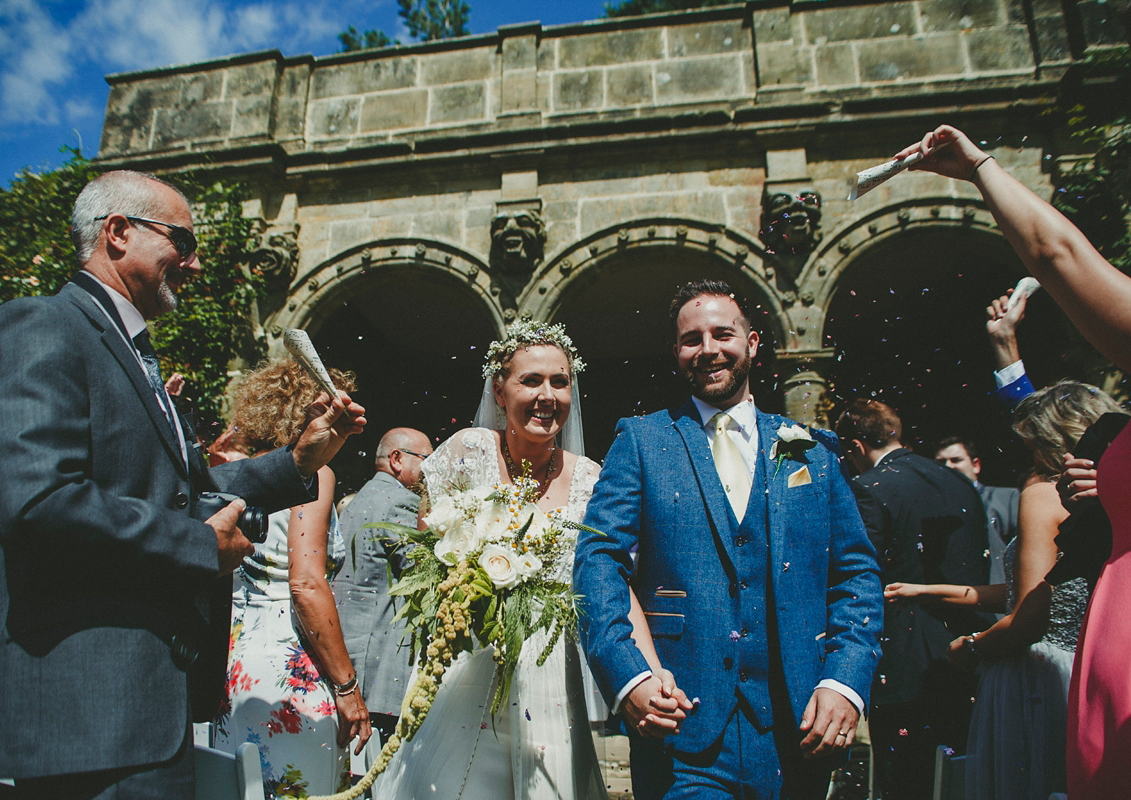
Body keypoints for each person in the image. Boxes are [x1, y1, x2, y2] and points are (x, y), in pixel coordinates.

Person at [0, 169, 366, 798]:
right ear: (118, 232)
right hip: (86, 712)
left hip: (149, 708)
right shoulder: (39, 326)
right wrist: (197, 546)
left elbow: (185, 487)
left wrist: (297, 461)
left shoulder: (134, 351)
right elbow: (35, 502)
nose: (196, 262)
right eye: (182, 241)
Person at [576, 281, 884, 800]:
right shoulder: (642, 440)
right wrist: (629, 677)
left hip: (798, 728)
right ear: (676, 352)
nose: (708, 350)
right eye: (691, 339)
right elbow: (598, 560)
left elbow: (856, 574)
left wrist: (844, 682)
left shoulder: (810, 449)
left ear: (754, 342)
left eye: (723, 334)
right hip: (679, 727)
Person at [899, 123, 1131, 798]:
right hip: (1098, 682)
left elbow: (1060, 255)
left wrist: (969, 648)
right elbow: (1053, 424)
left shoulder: (1043, 490)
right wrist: (1005, 352)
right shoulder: (1091, 450)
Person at [377, 320, 658, 800]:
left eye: (560, 381)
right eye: (531, 380)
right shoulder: (467, 451)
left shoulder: (593, 479)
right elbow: (426, 558)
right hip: (467, 671)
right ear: (499, 390)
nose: (547, 395)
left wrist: (647, 670)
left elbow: (612, 581)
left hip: (552, 682)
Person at [888, 382, 1112, 798]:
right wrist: (927, 590)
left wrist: (972, 647)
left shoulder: (1042, 495)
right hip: (1087, 669)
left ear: (1051, 439)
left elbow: (1028, 618)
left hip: (1034, 677)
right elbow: (1034, 589)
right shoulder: (1111, 496)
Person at [213, 358, 369, 797]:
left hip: (235, 662)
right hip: (289, 671)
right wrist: (347, 687)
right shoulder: (314, 475)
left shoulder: (246, 475)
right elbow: (305, 583)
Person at [835, 398, 990, 800]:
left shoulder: (869, 488)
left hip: (903, 658)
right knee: (958, 773)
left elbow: (862, 576)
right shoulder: (958, 482)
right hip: (966, 646)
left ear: (854, 446)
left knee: (904, 777)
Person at [332, 427, 430, 745]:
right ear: (397, 459)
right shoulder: (400, 503)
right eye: (426, 460)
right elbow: (422, 567)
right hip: (380, 657)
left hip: (351, 649)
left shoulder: (362, 498)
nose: (431, 470)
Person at [934, 435, 1020, 584]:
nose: (948, 466)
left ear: (976, 465)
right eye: (941, 462)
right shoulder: (933, 507)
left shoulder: (1007, 498)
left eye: (956, 460)